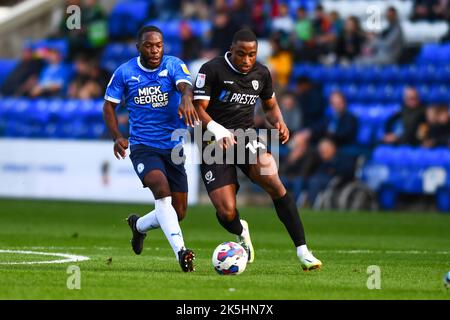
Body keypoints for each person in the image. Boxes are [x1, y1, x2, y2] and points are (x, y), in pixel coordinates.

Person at [193, 28, 322, 271]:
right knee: (226, 211)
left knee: (273, 181)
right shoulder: (211, 70)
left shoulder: (261, 72)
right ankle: (241, 229)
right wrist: (218, 130)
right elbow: (198, 109)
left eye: (251, 54)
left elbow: (270, 105)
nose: (246, 60)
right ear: (231, 50)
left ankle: (303, 251)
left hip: (245, 137)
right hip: (212, 141)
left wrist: (279, 122)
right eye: (241, 54)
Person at [102, 26, 199, 272]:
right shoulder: (125, 72)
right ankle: (181, 252)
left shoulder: (174, 64)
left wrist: (187, 97)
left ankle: (139, 226)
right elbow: (108, 106)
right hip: (144, 146)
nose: (154, 50)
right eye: (149, 45)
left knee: (179, 212)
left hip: (174, 146)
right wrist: (116, 136)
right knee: (161, 191)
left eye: (159, 45)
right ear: (139, 47)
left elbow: (185, 86)